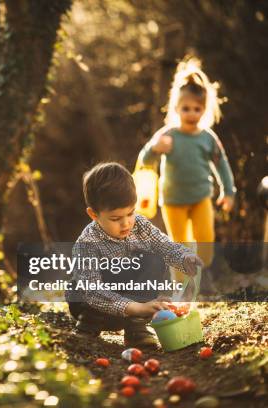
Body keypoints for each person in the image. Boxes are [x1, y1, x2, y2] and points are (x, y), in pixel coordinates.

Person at [66, 162, 203, 348]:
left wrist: (183, 257)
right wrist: (135, 307)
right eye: (116, 218)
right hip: (96, 307)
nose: (126, 224)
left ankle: (135, 328)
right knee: (81, 290)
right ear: (94, 215)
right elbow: (91, 291)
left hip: (134, 302)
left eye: (130, 213)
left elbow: (163, 245)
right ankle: (88, 326)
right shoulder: (87, 243)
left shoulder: (139, 225)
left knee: (154, 260)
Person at [138, 57, 236, 282]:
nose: (192, 114)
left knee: (205, 242)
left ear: (205, 109)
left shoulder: (208, 138)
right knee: (178, 245)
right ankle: (181, 289)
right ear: (175, 108)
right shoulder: (167, 135)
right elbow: (144, 159)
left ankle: (200, 276)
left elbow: (222, 164)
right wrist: (155, 148)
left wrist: (228, 192)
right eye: (186, 108)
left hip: (201, 197)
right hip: (173, 201)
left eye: (197, 109)